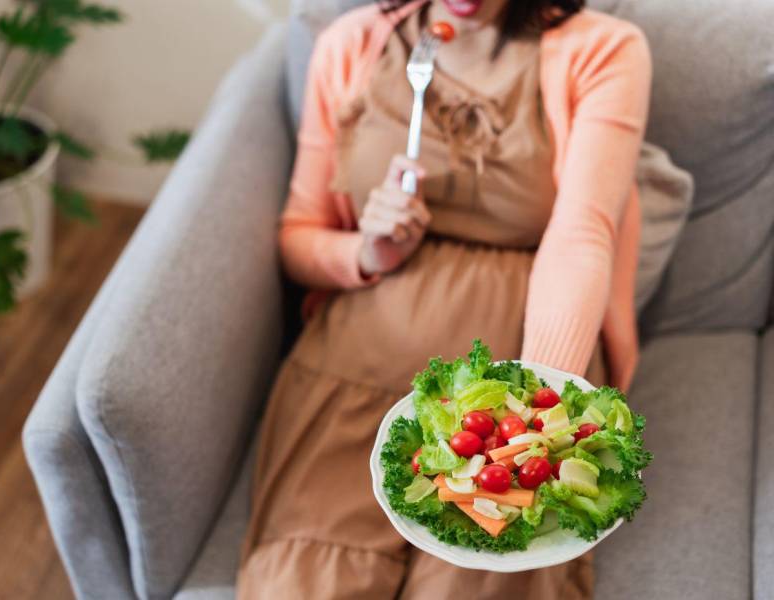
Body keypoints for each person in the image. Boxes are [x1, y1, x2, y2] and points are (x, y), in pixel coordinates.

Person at [237, 0, 650, 597]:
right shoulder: (351, 47)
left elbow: (583, 233)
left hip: (528, 347)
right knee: (304, 581)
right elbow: (298, 235)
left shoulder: (605, 49)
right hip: (358, 365)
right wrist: (366, 251)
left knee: (482, 575)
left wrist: (539, 399)